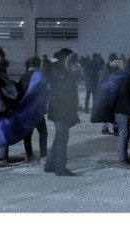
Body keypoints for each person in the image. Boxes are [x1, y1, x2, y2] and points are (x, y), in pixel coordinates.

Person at [44, 48, 81, 176]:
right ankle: (60, 167)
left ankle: (49, 164)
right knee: (62, 139)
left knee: (59, 138)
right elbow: (63, 92)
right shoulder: (58, 72)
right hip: (60, 110)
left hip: (62, 110)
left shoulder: (63, 71)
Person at [112, 57, 130, 169]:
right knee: (124, 134)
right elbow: (124, 94)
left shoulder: (123, 75)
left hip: (120, 109)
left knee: (125, 134)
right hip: (121, 110)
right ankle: (121, 159)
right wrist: (129, 110)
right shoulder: (126, 77)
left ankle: (124, 157)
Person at [19, 56, 48, 163]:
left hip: (26, 109)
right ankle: (44, 155)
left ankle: (29, 154)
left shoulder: (23, 76)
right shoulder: (40, 76)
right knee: (43, 132)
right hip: (37, 108)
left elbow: (19, 93)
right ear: (38, 64)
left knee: (27, 133)